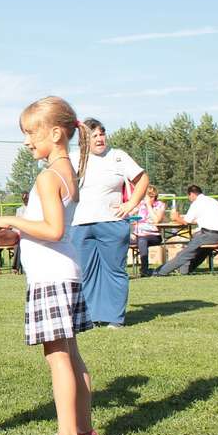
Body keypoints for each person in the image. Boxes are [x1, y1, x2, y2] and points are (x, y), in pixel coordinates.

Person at [0, 96, 97, 435]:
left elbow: (52, 229)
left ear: (55, 133)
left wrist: (11, 219)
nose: (26, 141)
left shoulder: (48, 177)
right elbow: (51, 228)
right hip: (65, 272)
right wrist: (18, 233)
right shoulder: (68, 174)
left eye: (31, 133)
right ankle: (85, 433)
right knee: (72, 354)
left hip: (51, 277)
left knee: (57, 358)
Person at [71, 119, 150, 328]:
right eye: (94, 135)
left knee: (114, 270)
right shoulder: (73, 158)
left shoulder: (118, 156)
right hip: (79, 224)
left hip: (112, 223)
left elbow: (143, 179)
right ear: (84, 140)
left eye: (102, 134)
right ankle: (90, 317)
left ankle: (114, 318)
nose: (100, 139)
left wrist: (131, 204)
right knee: (84, 272)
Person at [155, 186, 218, 276]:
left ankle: (160, 272)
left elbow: (186, 222)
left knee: (184, 254)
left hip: (210, 235)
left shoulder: (197, 203)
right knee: (202, 250)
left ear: (191, 194)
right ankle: (184, 270)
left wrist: (175, 217)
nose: (189, 198)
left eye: (188, 196)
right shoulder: (212, 200)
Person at [0, 193, 28, 275]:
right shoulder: (19, 210)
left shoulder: (35, 209)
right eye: (23, 198)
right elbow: (16, 223)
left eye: (26, 198)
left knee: (18, 245)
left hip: (27, 233)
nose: (25, 200)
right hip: (16, 232)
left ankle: (15, 268)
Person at [132, 186, 167, 277]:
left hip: (153, 235)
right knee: (119, 239)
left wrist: (148, 206)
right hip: (137, 234)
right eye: (148, 196)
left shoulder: (160, 205)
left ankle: (144, 269)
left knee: (142, 240)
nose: (150, 199)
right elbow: (131, 216)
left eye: (152, 196)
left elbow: (156, 220)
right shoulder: (140, 205)